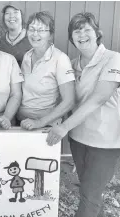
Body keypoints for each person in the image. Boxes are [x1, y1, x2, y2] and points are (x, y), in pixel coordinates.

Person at [47, 12, 120, 217]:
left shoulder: (113, 59)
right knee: (89, 190)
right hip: (78, 138)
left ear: (98, 33)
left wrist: (63, 127)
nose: (82, 34)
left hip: (105, 141)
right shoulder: (72, 63)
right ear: (72, 39)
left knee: (90, 192)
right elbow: (67, 100)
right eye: (76, 31)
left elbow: (99, 98)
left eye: (87, 29)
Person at [17, 11, 75, 130]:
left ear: (50, 34)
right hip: (21, 123)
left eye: (41, 30)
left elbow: (69, 101)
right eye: (31, 29)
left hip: (45, 126)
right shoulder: (27, 56)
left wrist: (39, 122)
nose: (35, 34)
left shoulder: (60, 59)